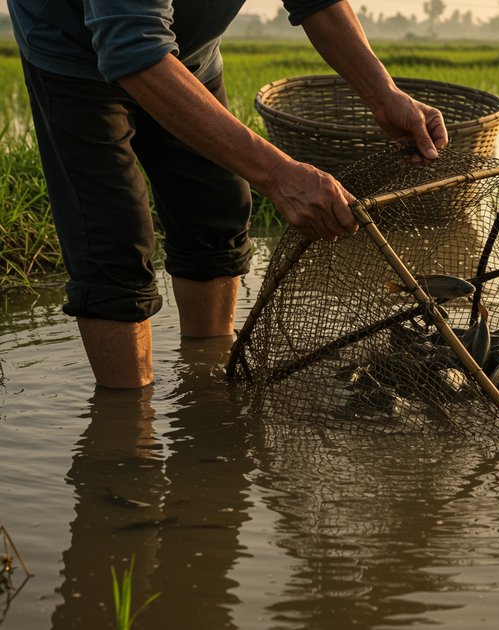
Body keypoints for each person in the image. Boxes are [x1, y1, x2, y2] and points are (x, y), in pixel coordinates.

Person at [7, 0, 448, 388]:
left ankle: (208, 384)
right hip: (74, 59)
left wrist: (382, 93)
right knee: (113, 242)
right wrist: (278, 175)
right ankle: (126, 439)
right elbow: (132, 49)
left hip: (188, 57)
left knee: (216, 214)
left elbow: (317, 0)